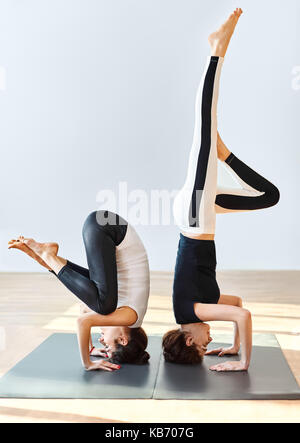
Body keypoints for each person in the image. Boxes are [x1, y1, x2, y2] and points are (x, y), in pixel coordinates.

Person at [163, 8, 280, 372]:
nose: (206, 342)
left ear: (187, 337)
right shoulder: (206, 304)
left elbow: (242, 316)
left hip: (196, 217)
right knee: (268, 196)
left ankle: (216, 50)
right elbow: (239, 304)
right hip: (202, 214)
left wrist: (243, 362)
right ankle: (226, 154)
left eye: (199, 347)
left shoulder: (191, 310)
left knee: (205, 123)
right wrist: (233, 346)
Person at [8, 210, 150, 371]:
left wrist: (90, 349)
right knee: (103, 305)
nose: (102, 341)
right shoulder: (129, 316)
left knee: (96, 298)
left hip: (104, 223)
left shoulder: (125, 311)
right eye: (109, 346)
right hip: (107, 227)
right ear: (123, 340)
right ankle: (48, 255)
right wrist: (87, 362)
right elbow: (82, 322)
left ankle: (42, 254)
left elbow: (84, 308)